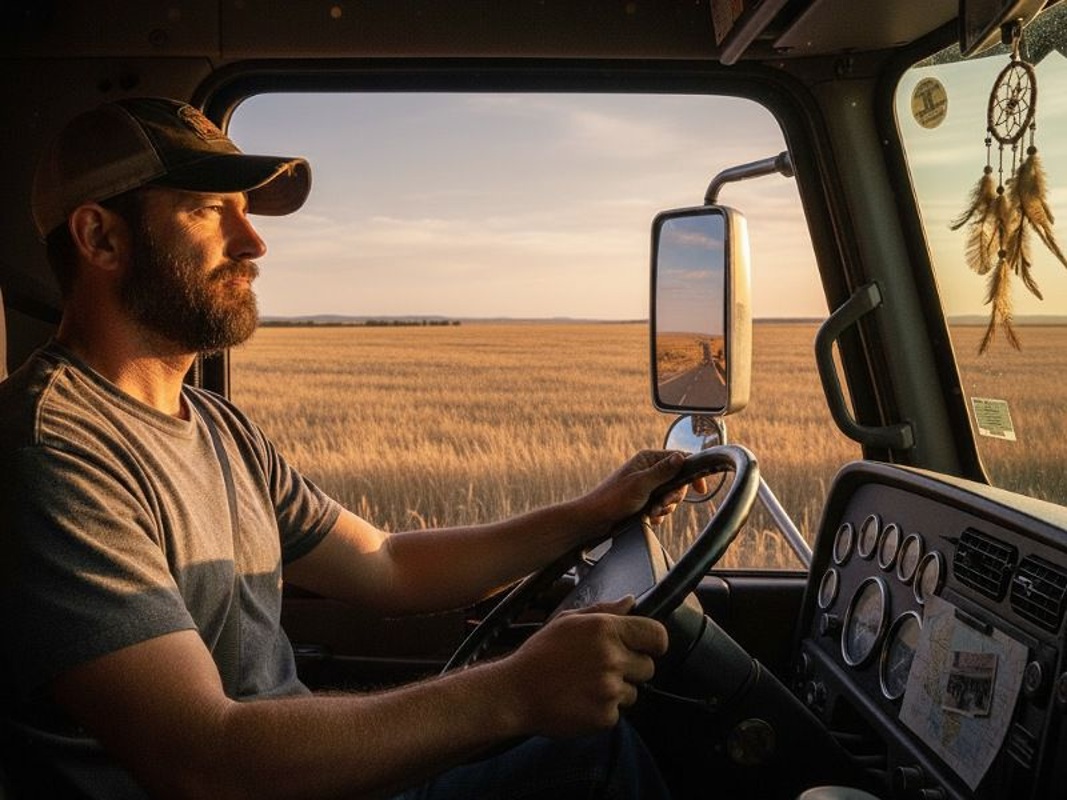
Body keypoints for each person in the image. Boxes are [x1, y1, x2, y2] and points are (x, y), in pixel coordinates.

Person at [0, 97, 699, 799]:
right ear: (101, 238)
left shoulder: (215, 424)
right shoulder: (52, 452)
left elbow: (388, 565)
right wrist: (513, 692)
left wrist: (589, 514)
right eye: (209, 210)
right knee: (592, 759)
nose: (254, 242)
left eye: (244, 210)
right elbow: (200, 760)